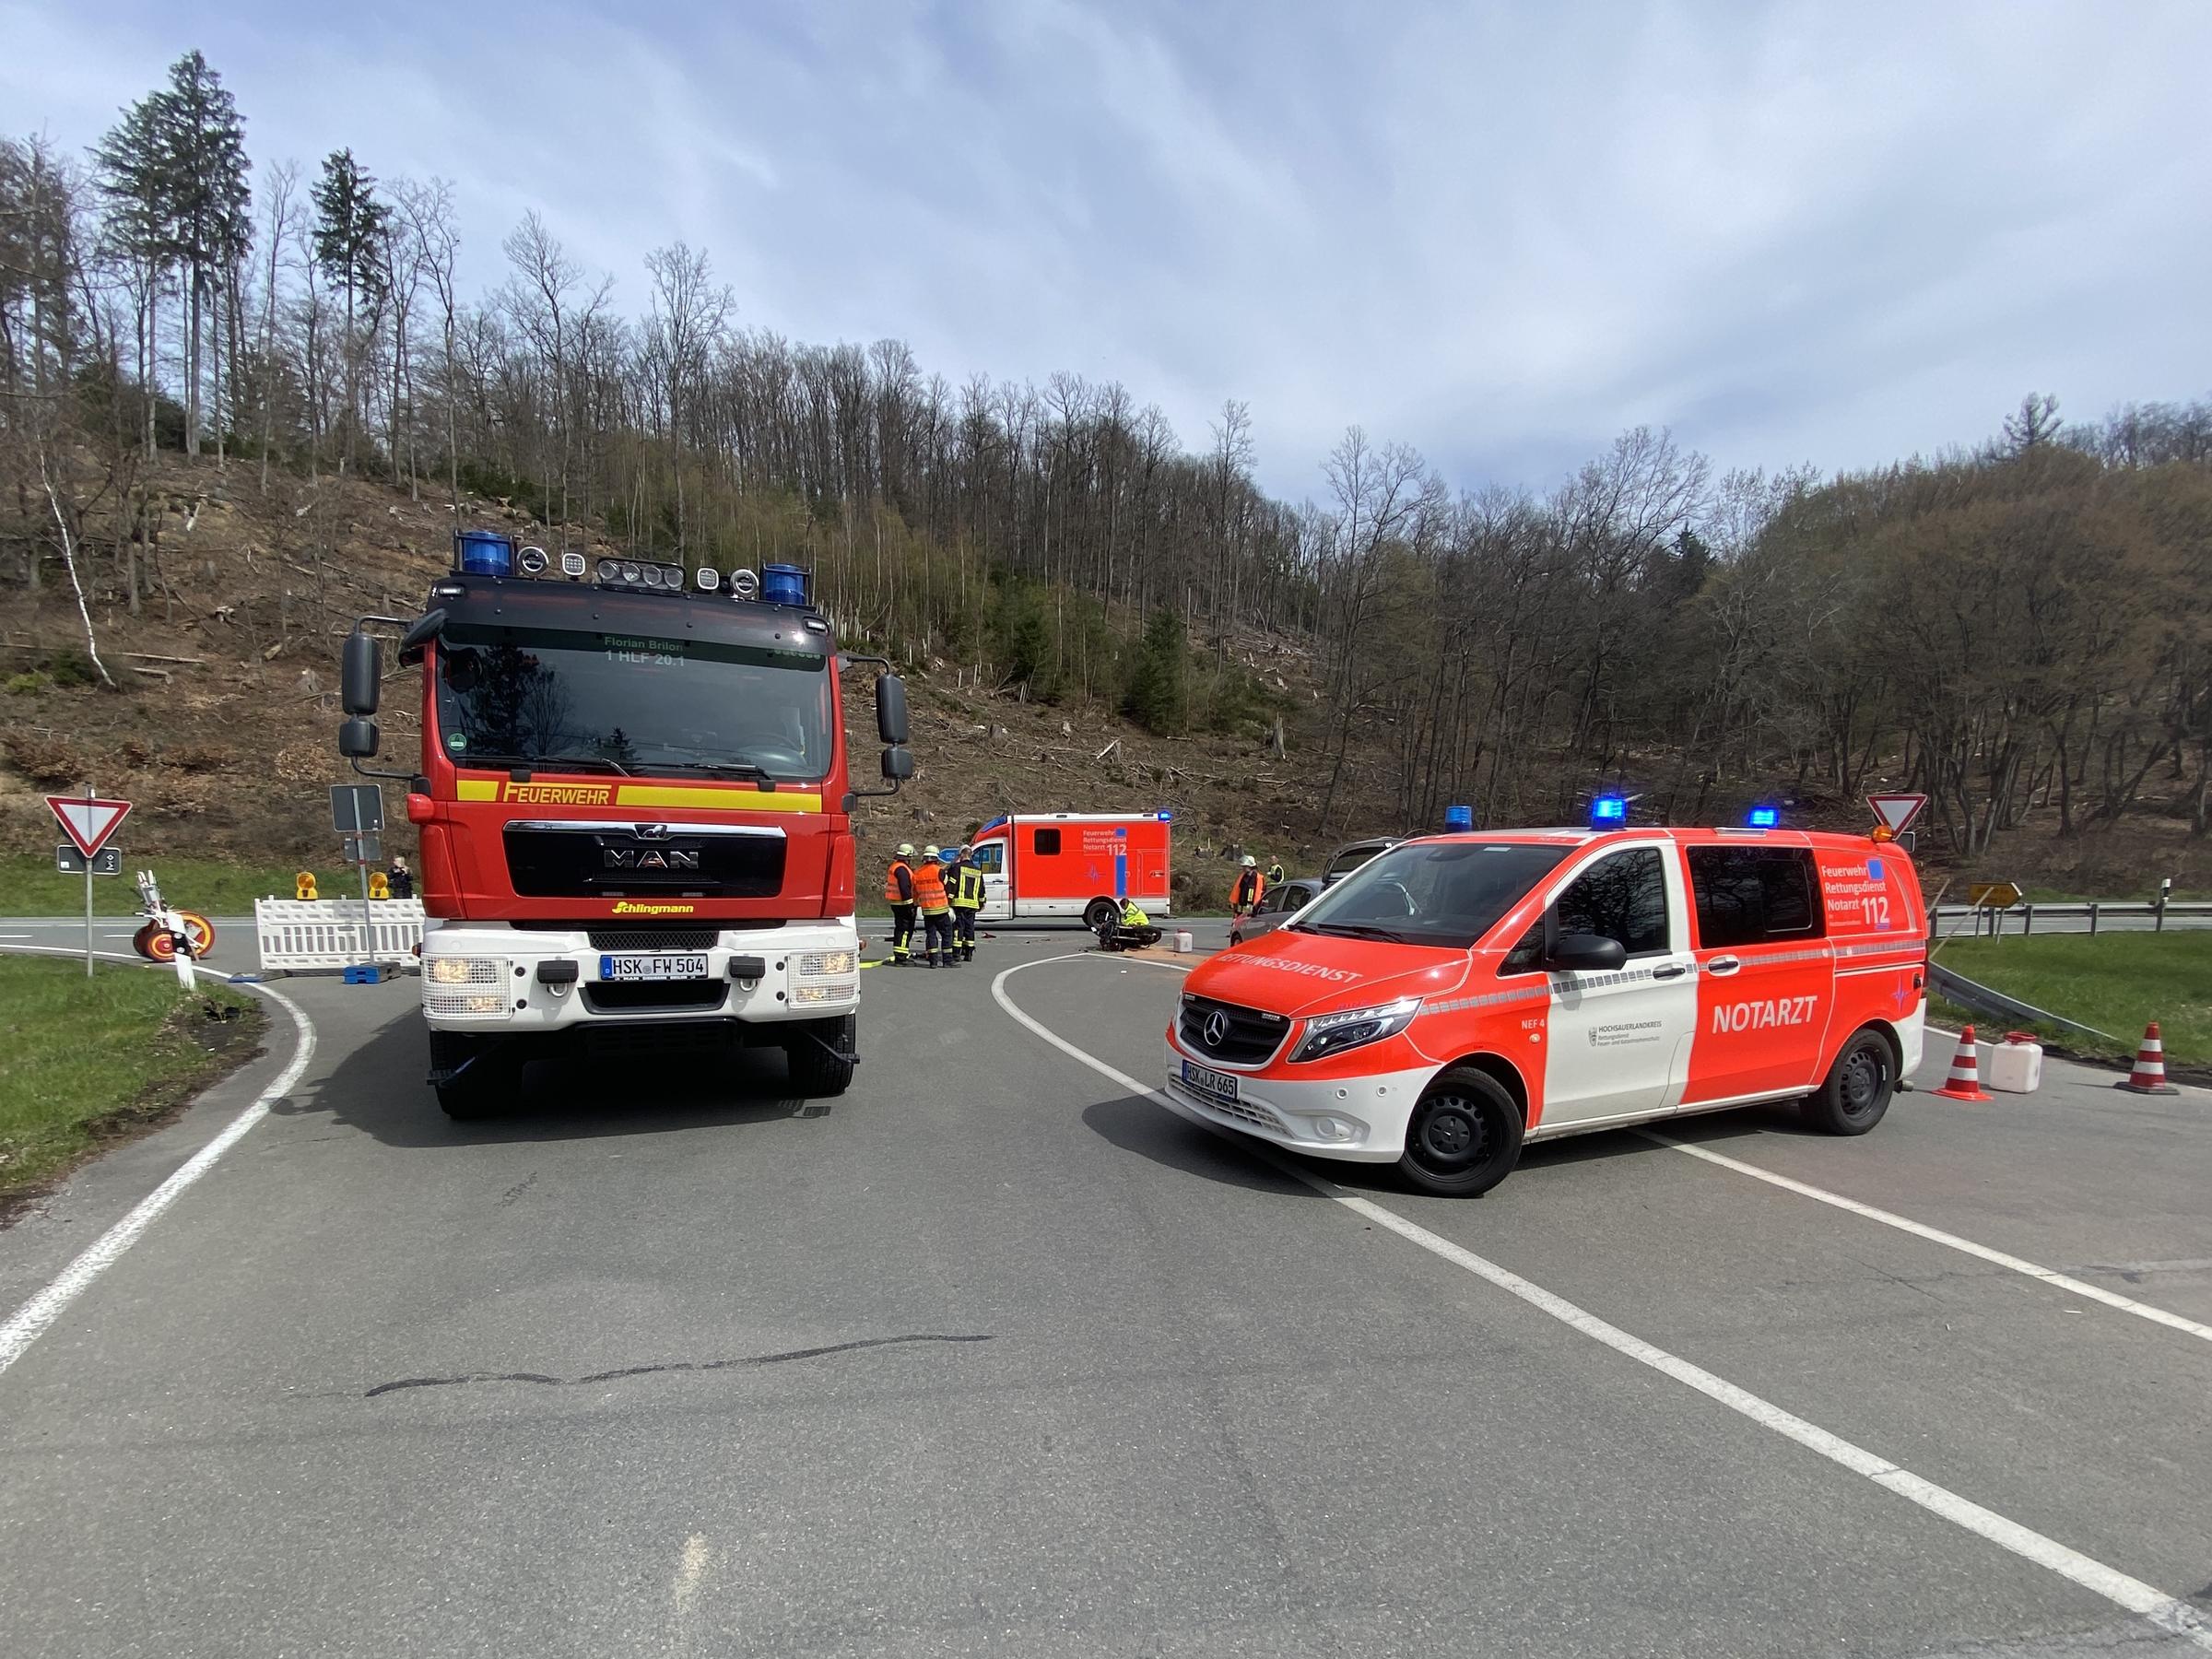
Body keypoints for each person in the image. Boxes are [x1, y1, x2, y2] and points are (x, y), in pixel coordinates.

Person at [913, 844, 954, 968]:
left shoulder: (917, 873)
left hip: (927, 909)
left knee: (931, 934)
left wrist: (917, 904)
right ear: (936, 858)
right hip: (941, 908)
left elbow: (914, 892)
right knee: (947, 934)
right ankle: (947, 961)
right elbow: (948, 887)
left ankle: (933, 962)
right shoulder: (939, 871)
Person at [947, 842, 984, 963]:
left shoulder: (957, 868)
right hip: (972, 905)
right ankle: (968, 953)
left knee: (958, 928)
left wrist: (948, 900)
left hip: (959, 903)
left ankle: (956, 954)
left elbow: (952, 885)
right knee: (970, 928)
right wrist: (981, 903)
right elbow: (981, 889)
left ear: (961, 855)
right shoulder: (977, 870)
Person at [883, 843, 918, 965]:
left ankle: (901, 955)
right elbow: (905, 887)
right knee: (905, 930)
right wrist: (910, 906)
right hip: (903, 904)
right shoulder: (902, 869)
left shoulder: (897, 866)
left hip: (897, 903)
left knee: (901, 929)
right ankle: (901, 957)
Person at [1096, 896, 1163, 952]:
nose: (1122, 908)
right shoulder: (1130, 907)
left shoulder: (1131, 910)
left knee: (1126, 930)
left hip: (1142, 924)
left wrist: (1119, 924)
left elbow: (1127, 922)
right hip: (1140, 922)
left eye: (1122, 906)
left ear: (1124, 905)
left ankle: (1130, 943)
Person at [1230, 853, 1266, 917]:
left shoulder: (1258, 878)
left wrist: (1255, 909)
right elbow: (1237, 892)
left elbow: (1259, 895)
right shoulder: (1242, 877)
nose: (1243, 868)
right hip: (1240, 908)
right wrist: (1235, 909)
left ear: (1251, 866)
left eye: (1245, 866)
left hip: (1251, 910)